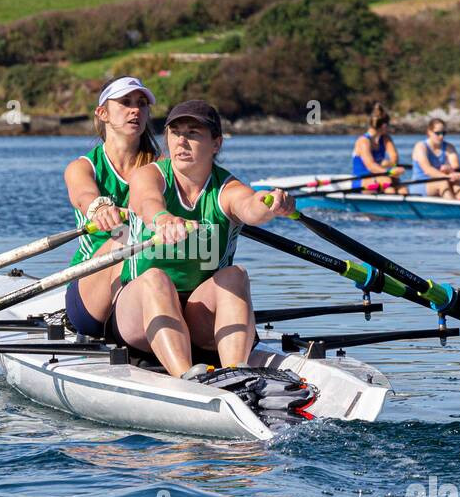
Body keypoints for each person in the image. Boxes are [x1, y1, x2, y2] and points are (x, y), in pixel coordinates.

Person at [107, 100, 296, 378]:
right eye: (175, 133)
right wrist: (162, 219)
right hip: (138, 314)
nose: (182, 141)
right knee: (156, 278)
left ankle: (236, 376)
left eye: (193, 133)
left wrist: (269, 205)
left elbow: (249, 207)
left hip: (199, 314)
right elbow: (147, 201)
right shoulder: (149, 175)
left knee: (236, 275)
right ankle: (186, 378)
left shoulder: (227, 188)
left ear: (216, 143)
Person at [62, 76, 159, 339]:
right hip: (90, 292)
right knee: (124, 240)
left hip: (150, 280)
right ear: (102, 113)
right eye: (125, 102)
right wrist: (100, 207)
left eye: (141, 104)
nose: (135, 110)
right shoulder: (82, 168)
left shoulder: (162, 167)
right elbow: (83, 195)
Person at [351, 103, 407, 195]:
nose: (389, 128)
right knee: (388, 184)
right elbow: (371, 166)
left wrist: (388, 164)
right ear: (384, 126)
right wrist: (389, 171)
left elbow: (395, 158)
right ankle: (389, 205)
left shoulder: (385, 138)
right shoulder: (363, 141)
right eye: (388, 125)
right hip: (362, 181)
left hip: (381, 176)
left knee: (403, 189)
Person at [409, 118, 460, 198]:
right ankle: (453, 208)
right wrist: (446, 176)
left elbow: (456, 167)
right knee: (443, 183)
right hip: (420, 183)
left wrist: (449, 169)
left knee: (457, 182)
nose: (441, 136)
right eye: (438, 133)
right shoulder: (420, 147)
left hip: (442, 179)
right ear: (429, 132)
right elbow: (427, 169)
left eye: (443, 133)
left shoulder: (449, 147)